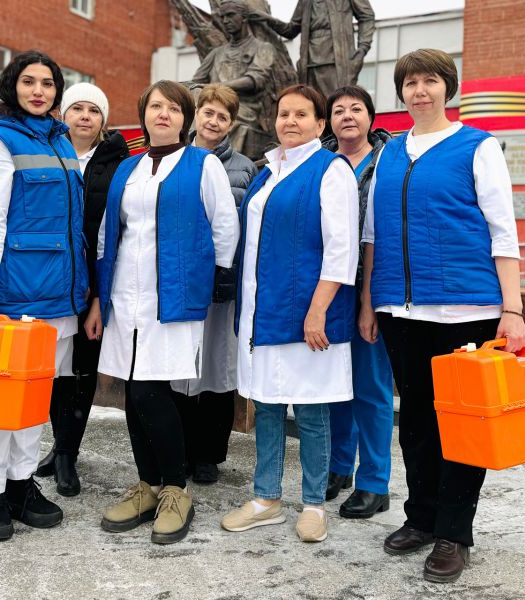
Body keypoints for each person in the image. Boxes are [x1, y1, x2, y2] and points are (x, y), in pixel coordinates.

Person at [362, 49, 525, 582]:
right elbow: (373, 236)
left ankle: (455, 533)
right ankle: (422, 517)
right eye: (410, 82)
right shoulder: (389, 154)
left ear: (447, 87)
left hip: (467, 311)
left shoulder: (477, 146)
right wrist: (370, 302)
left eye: (430, 80)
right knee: (415, 423)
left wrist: (512, 309)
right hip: (400, 310)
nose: (419, 91)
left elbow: (503, 231)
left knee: (461, 428)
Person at [86, 80, 239, 544]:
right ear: (144, 114)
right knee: (134, 390)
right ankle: (147, 486)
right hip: (124, 296)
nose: (164, 114)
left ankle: (176, 489)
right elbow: (108, 233)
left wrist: (212, 282)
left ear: (185, 118)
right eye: (156, 106)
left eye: (174, 107)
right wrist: (100, 298)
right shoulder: (129, 167)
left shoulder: (202, 164)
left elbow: (224, 226)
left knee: (151, 389)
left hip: (173, 296)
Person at [221, 84, 359, 543]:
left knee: (313, 411)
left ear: (320, 124)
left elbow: (341, 249)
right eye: (284, 114)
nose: (291, 121)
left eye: (302, 114)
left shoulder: (330, 169)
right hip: (265, 311)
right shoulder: (267, 172)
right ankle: (266, 500)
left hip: (307, 314)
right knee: (267, 406)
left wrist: (318, 310)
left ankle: (314, 504)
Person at [0, 50, 88, 542]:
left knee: (37, 397)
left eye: (48, 83)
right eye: (29, 81)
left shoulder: (61, 139)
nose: (39, 91)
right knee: (1, 399)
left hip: (60, 295)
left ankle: (20, 485)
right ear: (12, 86)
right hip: (16, 292)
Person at [35, 82, 129, 497]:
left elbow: (116, 232)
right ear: (63, 115)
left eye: (94, 110)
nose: (85, 116)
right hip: (50, 278)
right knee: (52, 366)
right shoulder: (46, 153)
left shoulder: (117, 164)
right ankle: (58, 445)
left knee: (81, 369)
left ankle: (67, 454)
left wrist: (98, 299)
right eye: (77, 108)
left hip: (92, 281)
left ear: (103, 120)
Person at [171, 84, 256, 484]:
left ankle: (208, 454)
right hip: (180, 281)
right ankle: (180, 450)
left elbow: (246, 226)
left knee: (217, 368)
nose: (214, 121)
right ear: (196, 114)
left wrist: (230, 274)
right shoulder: (175, 156)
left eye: (223, 116)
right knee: (180, 367)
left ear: (231, 124)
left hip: (223, 283)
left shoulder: (244, 167)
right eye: (208, 112)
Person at [323, 85, 395, 518]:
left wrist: (369, 303)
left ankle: (374, 481)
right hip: (327, 290)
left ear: (370, 117)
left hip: (371, 287)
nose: (347, 116)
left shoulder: (388, 161)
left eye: (356, 109)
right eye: (338, 110)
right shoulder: (320, 162)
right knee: (333, 383)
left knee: (370, 386)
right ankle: (337, 468)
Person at [190, 0, 288, 159]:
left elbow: (255, 79)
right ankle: (189, 156)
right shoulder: (216, 54)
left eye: (230, 15)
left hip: (242, 108)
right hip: (211, 105)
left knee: (210, 114)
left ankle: (206, 158)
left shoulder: (263, 48)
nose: (225, 21)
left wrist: (215, 87)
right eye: (223, 17)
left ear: (244, 17)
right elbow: (195, 82)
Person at [252, 0, 376, 99]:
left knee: (338, 104)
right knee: (312, 107)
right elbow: (290, 30)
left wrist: (363, 48)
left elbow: (367, 16)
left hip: (337, 63)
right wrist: (267, 19)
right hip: (310, 64)